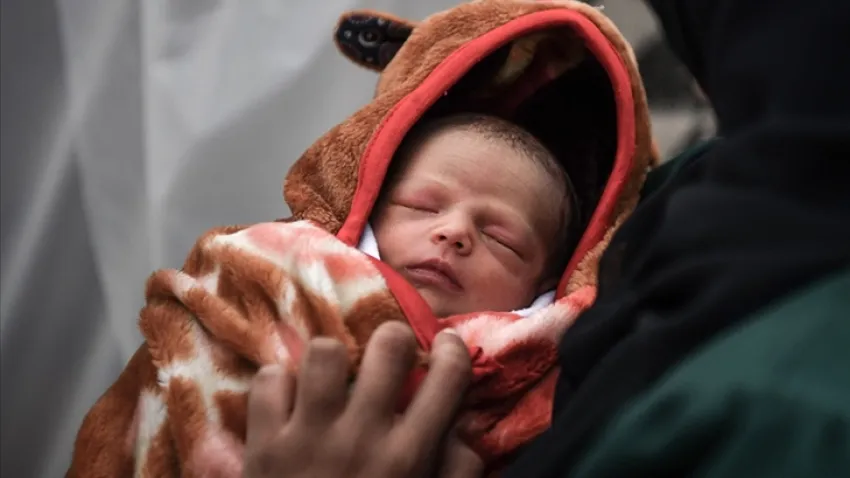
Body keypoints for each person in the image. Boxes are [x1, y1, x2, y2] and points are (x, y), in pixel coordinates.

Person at [241, 0, 850, 476]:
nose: (452, 233)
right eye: (421, 205)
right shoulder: (704, 201)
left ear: (552, 280)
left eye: (503, 241)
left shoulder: (795, 412)